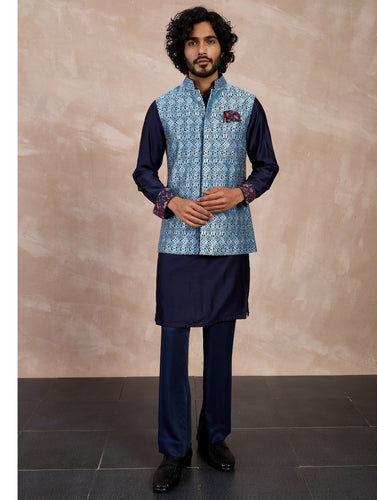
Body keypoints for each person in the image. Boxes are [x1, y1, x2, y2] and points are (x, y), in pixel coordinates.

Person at [133, 6, 279, 493]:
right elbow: (144, 170)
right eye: (193, 42)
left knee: (220, 344)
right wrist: (169, 201)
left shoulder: (247, 104)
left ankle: (214, 437)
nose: (202, 50)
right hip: (177, 243)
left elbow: (267, 166)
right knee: (174, 345)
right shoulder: (162, 107)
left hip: (229, 240)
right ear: (182, 50)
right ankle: (174, 449)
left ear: (222, 47)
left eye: (210, 41)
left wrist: (241, 193)